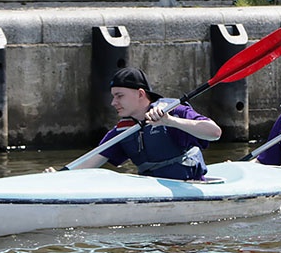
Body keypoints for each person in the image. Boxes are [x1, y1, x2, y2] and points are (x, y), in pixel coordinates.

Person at [51, 68, 222, 180]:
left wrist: (171, 122)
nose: (113, 102)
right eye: (113, 96)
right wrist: (59, 177)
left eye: (119, 95)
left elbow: (214, 133)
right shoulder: (122, 131)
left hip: (190, 185)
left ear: (140, 94)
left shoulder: (174, 111)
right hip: (152, 190)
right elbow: (89, 163)